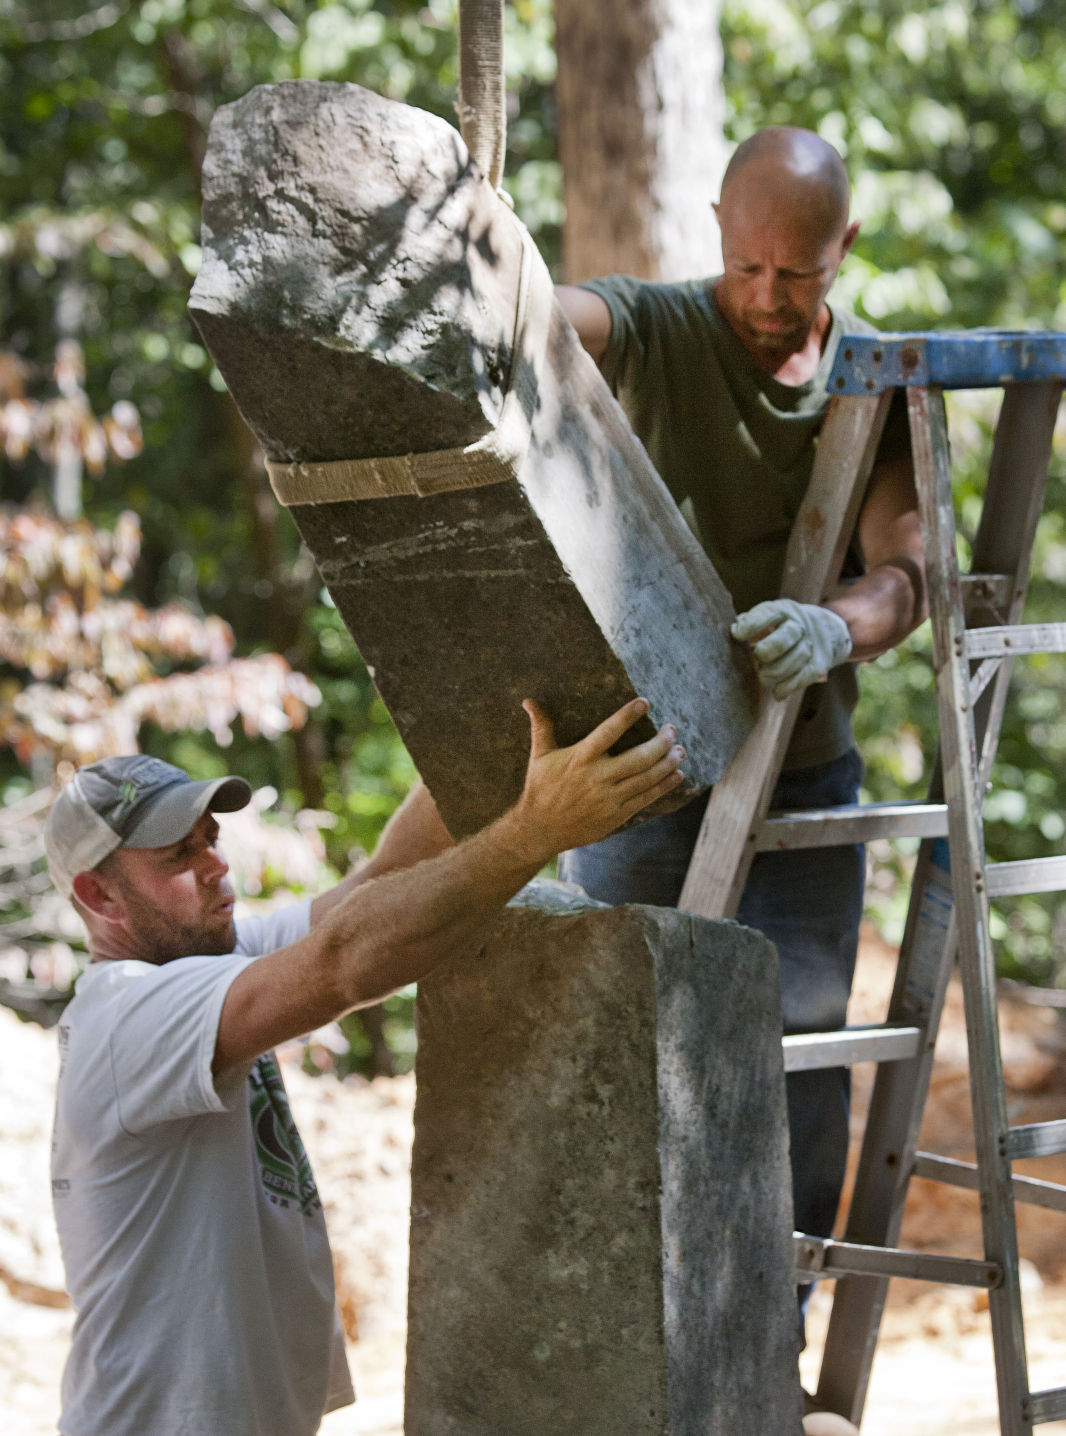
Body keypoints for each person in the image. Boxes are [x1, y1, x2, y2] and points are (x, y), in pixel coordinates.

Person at [555, 127, 927, 1436]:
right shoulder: (662, 329)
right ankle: (624, 1369)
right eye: (749, 265)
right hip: (642, 774)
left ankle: (771, 1360)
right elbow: (550, 318)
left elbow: (908, 569)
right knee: (622, 1065)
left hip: (804, 779)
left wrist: (838, 624)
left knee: (799, 1073)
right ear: (716, 227)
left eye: (799, 272)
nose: (769, 297)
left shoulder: (869, 374)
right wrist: (482, 269)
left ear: (845, 249)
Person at [44, 696, 685, 1436]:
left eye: (210, 838)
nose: (216, 863)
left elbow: (385, 878)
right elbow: (345, 960)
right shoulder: (126, 1016)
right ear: (99, 895)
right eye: (178, 856)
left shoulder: (214, 958)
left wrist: (501, 718)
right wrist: (535, 831)